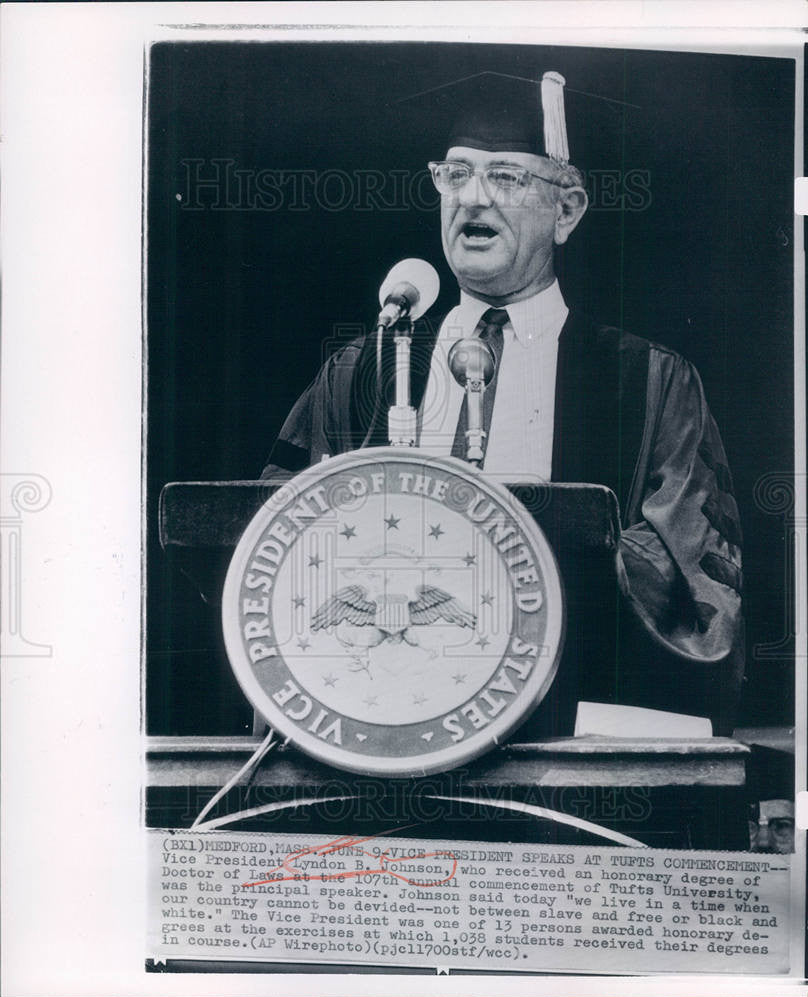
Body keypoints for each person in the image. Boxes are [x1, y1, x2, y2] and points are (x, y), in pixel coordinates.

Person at [260, 71, 744, 735]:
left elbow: (694, 580)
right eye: (455, 174)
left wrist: (498, 569)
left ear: (566, 209)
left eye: (506, 177)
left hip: (566, 727)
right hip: (384, 719)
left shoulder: (649, 383)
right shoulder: (365, 368)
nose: (472, 198)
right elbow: (273, 536)